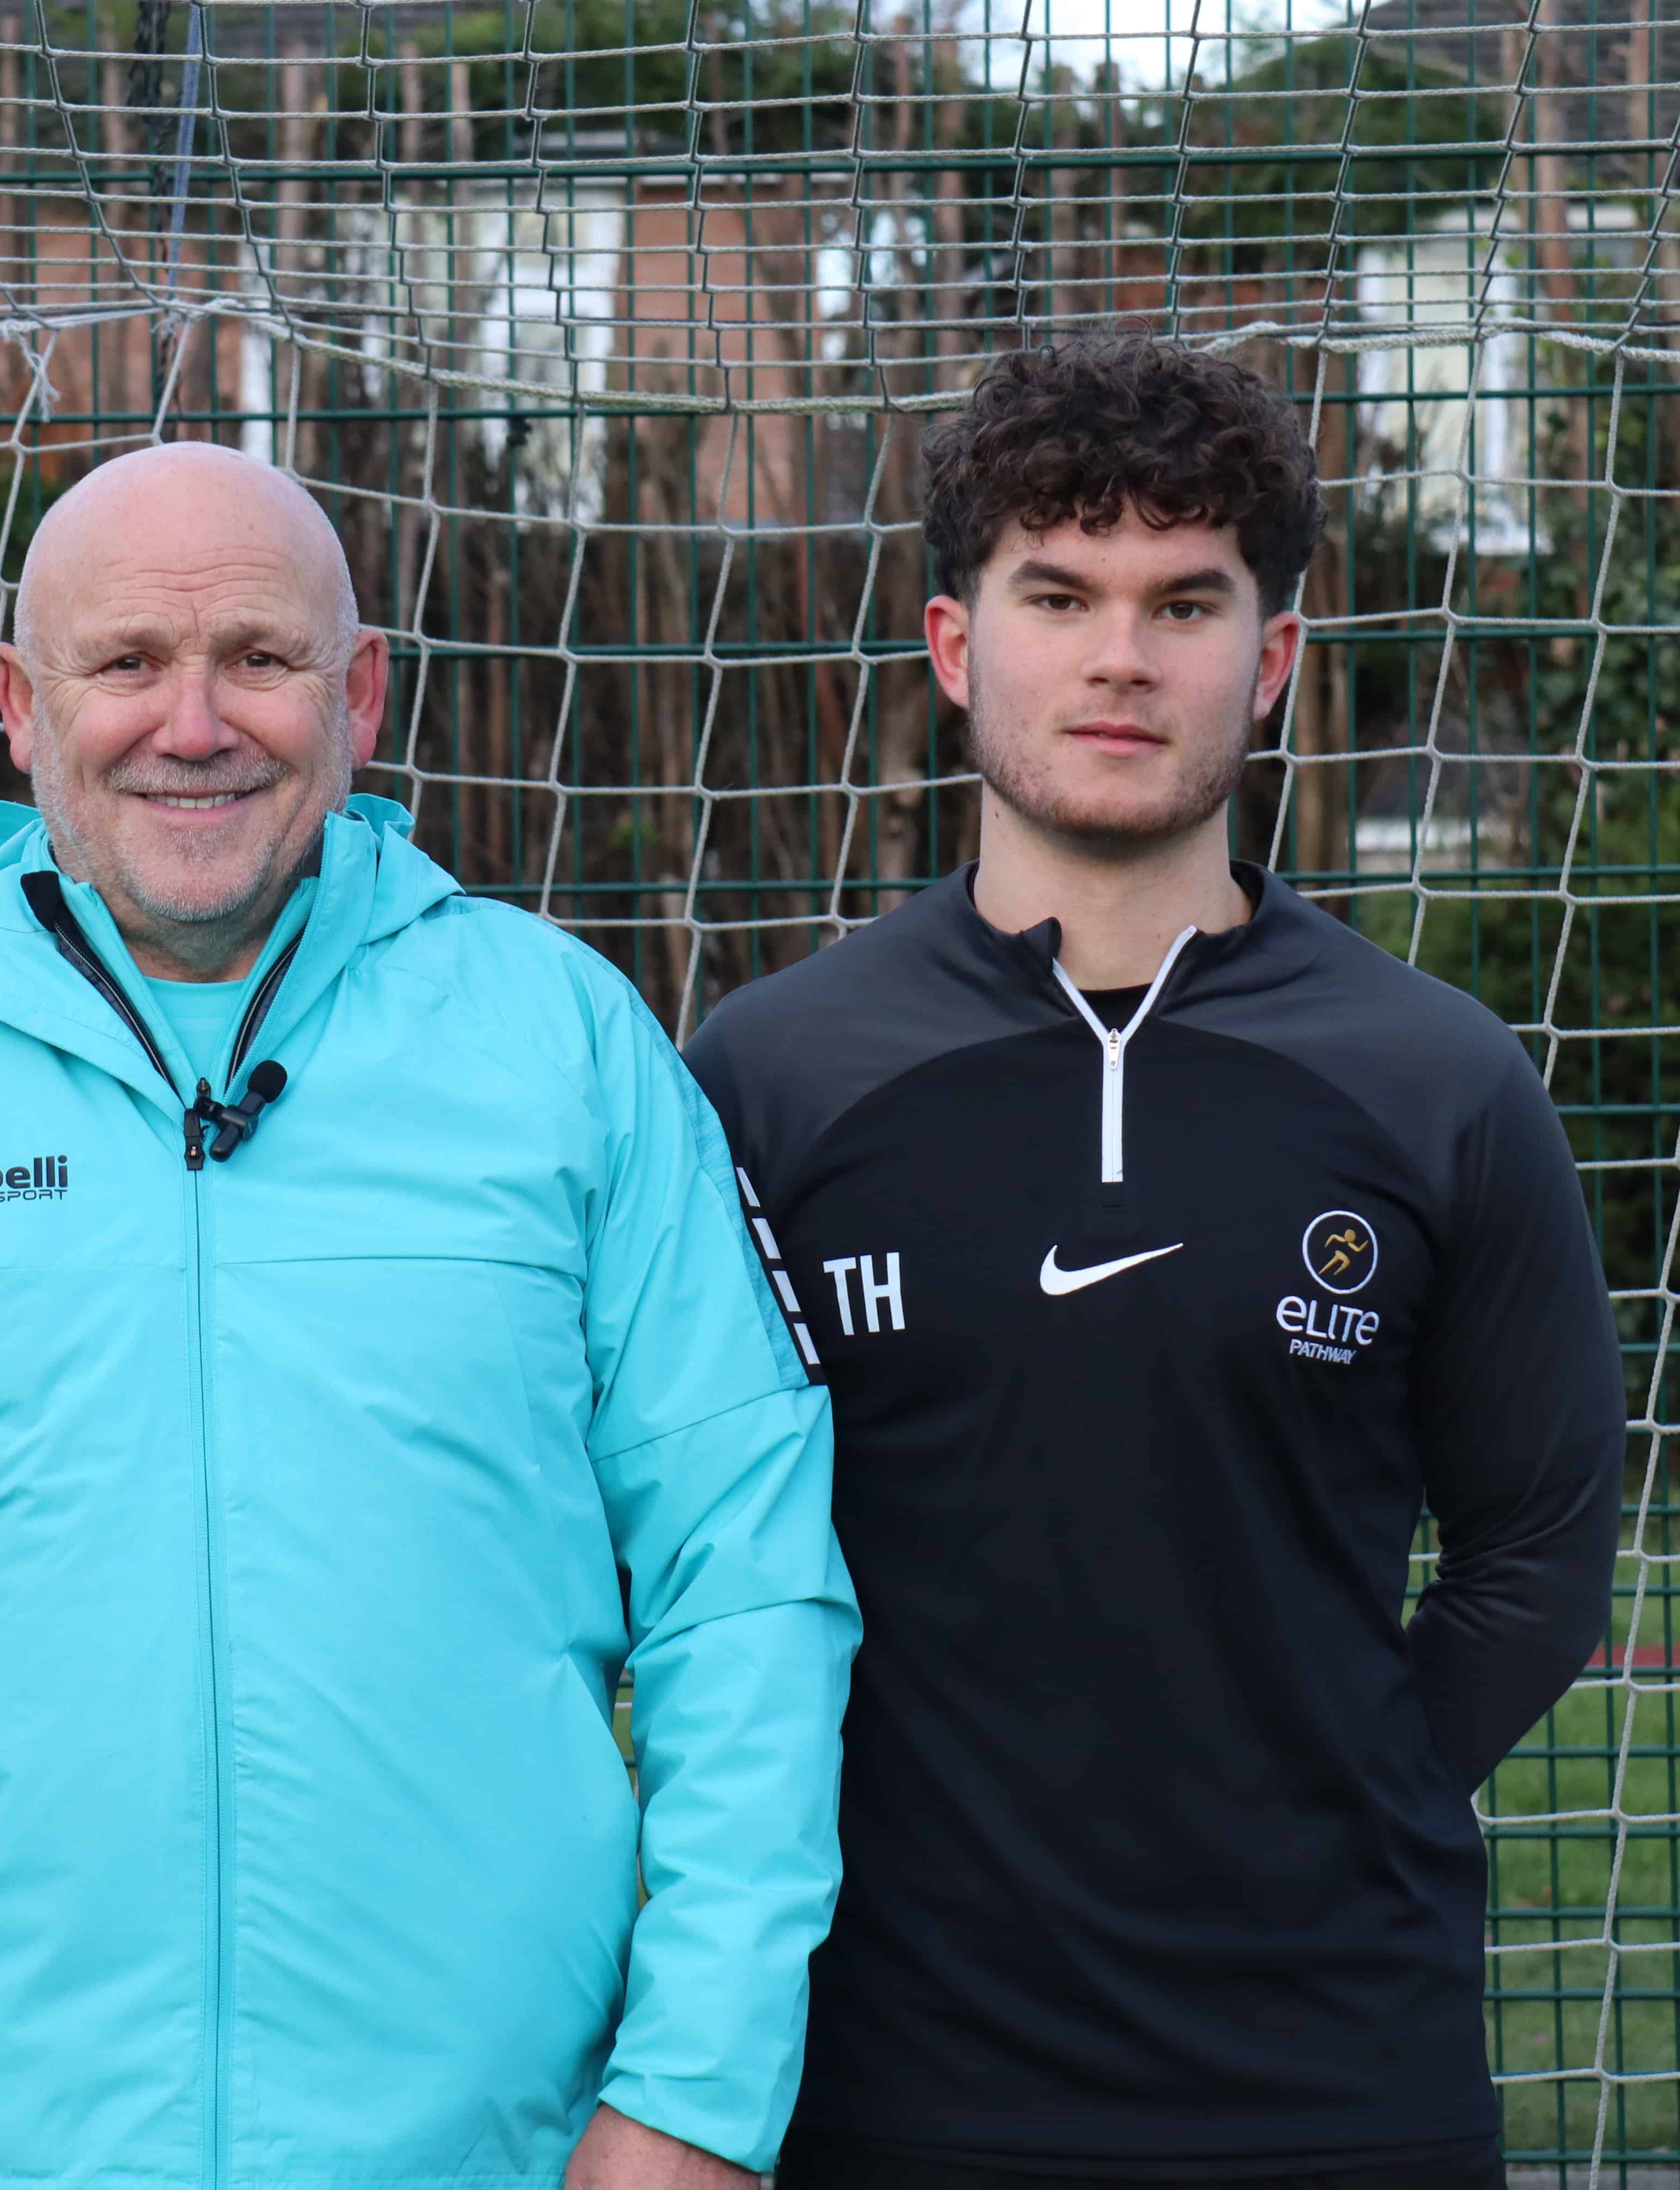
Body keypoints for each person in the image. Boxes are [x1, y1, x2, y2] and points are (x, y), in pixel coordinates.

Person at [0, 441, 857, 2190]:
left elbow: (752, 1583)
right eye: (127, 665)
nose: (194, 724)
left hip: (500, 2155)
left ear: (359, 697)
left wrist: (698, 2100)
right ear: (22, 709)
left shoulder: (566, 1050)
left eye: (258, 659)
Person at [684, 336, 1623, 2190]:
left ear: (1268, 662)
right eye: (1061, 593)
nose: (1123, 655)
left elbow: (1537, 1558)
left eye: (1186, 602)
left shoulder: (1437, 1080)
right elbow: (683, 1564)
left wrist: (1320, 1811)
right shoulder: (768, 1081)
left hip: (1339, 2084)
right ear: (959, 647)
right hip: (892, 2078)